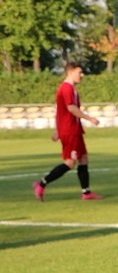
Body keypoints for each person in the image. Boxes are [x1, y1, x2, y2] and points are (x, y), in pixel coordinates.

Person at [33, 62, 103, 201]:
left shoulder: (70, 88)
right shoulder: (66, 88)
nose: (82, 75)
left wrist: (58, 130)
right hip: (70, 131)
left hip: (74, 129)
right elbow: (71, 108)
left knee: (83, 159)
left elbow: (60, 111)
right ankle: (41, 184)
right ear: (70, 72)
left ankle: (86, 192)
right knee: (70, 162)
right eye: (79, 72)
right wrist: (89, 118)